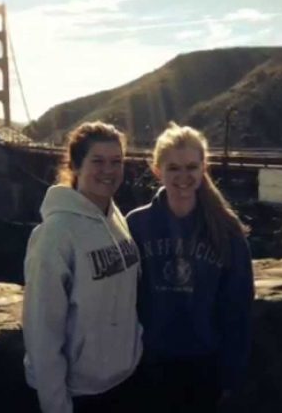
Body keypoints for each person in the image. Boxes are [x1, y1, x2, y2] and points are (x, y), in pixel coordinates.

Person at [126, 122, 255, 412]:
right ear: (157, 170)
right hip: (147, 365)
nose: (183, 176)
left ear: (203, 168)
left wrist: (231, 374)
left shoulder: (226, 230)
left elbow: (238, 307)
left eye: (191, 167)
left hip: (205, 366)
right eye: (173, 168)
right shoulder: (136, 225)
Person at [22, 121, 143, 413]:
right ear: (76, 165)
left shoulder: (116, 218)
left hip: (125, 379)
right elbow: (41, 330)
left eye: (116, 161)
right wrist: (56, 406)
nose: (108, 170)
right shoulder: (55, 234)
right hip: (80, 393)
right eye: (97, 161)